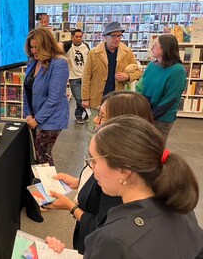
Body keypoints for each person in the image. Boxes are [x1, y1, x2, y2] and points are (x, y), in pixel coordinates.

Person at [47, 115, 203, 258]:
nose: (91, 167)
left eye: (94, 161)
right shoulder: (180, 205)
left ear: (124, 171)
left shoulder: (114, 239)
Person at [45, 91, 154, 254]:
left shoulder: (118, 180)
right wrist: (77, 181)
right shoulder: (118, 169)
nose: (96, 120)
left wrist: (70, 206)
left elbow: (100, 228)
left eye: (102, 116)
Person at [82, 21, 142, 142]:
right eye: (113, 36)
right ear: (105, 37)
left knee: (114, 130)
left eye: (119, 36)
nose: (116, 39)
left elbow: (138, 72)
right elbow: (86, 76)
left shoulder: (127, 52)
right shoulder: (94, 53)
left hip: (117, 98)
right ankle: (91, 159)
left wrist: (127, 76)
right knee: (93, 129)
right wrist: (85, 98)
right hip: (97, 98)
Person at [23, 27, 69, 166]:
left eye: (37, 47)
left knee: (43, 155)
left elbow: (54, 99)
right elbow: (27, 89)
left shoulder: (59, 63)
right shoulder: (33, 62)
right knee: (38, 155)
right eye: (32, 47)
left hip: (51, 119)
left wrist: (37, 119)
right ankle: (40, 185)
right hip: (35, 116)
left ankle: (48, 187)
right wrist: (28, 114)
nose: (34, 51)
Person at [137, 34, 186, 143]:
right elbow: (141, 86)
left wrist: (149, 115)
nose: (152, 48)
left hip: (161, 118)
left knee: (154, 149)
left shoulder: (178, 71)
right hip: (144, 113)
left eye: (155, 45)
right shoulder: (151, 66)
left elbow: (170, 99)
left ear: (165, 48)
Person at [59, 29, 90, 124]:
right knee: (79, 97)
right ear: (72, 37)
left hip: (85, 76)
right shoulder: (69, 45)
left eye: (80, 36)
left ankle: (78, 115)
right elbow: (60, 45)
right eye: (76, 36)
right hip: (74, 77)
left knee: (83, 97)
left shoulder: (86, 46)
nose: (78, 38)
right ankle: (90, 113)